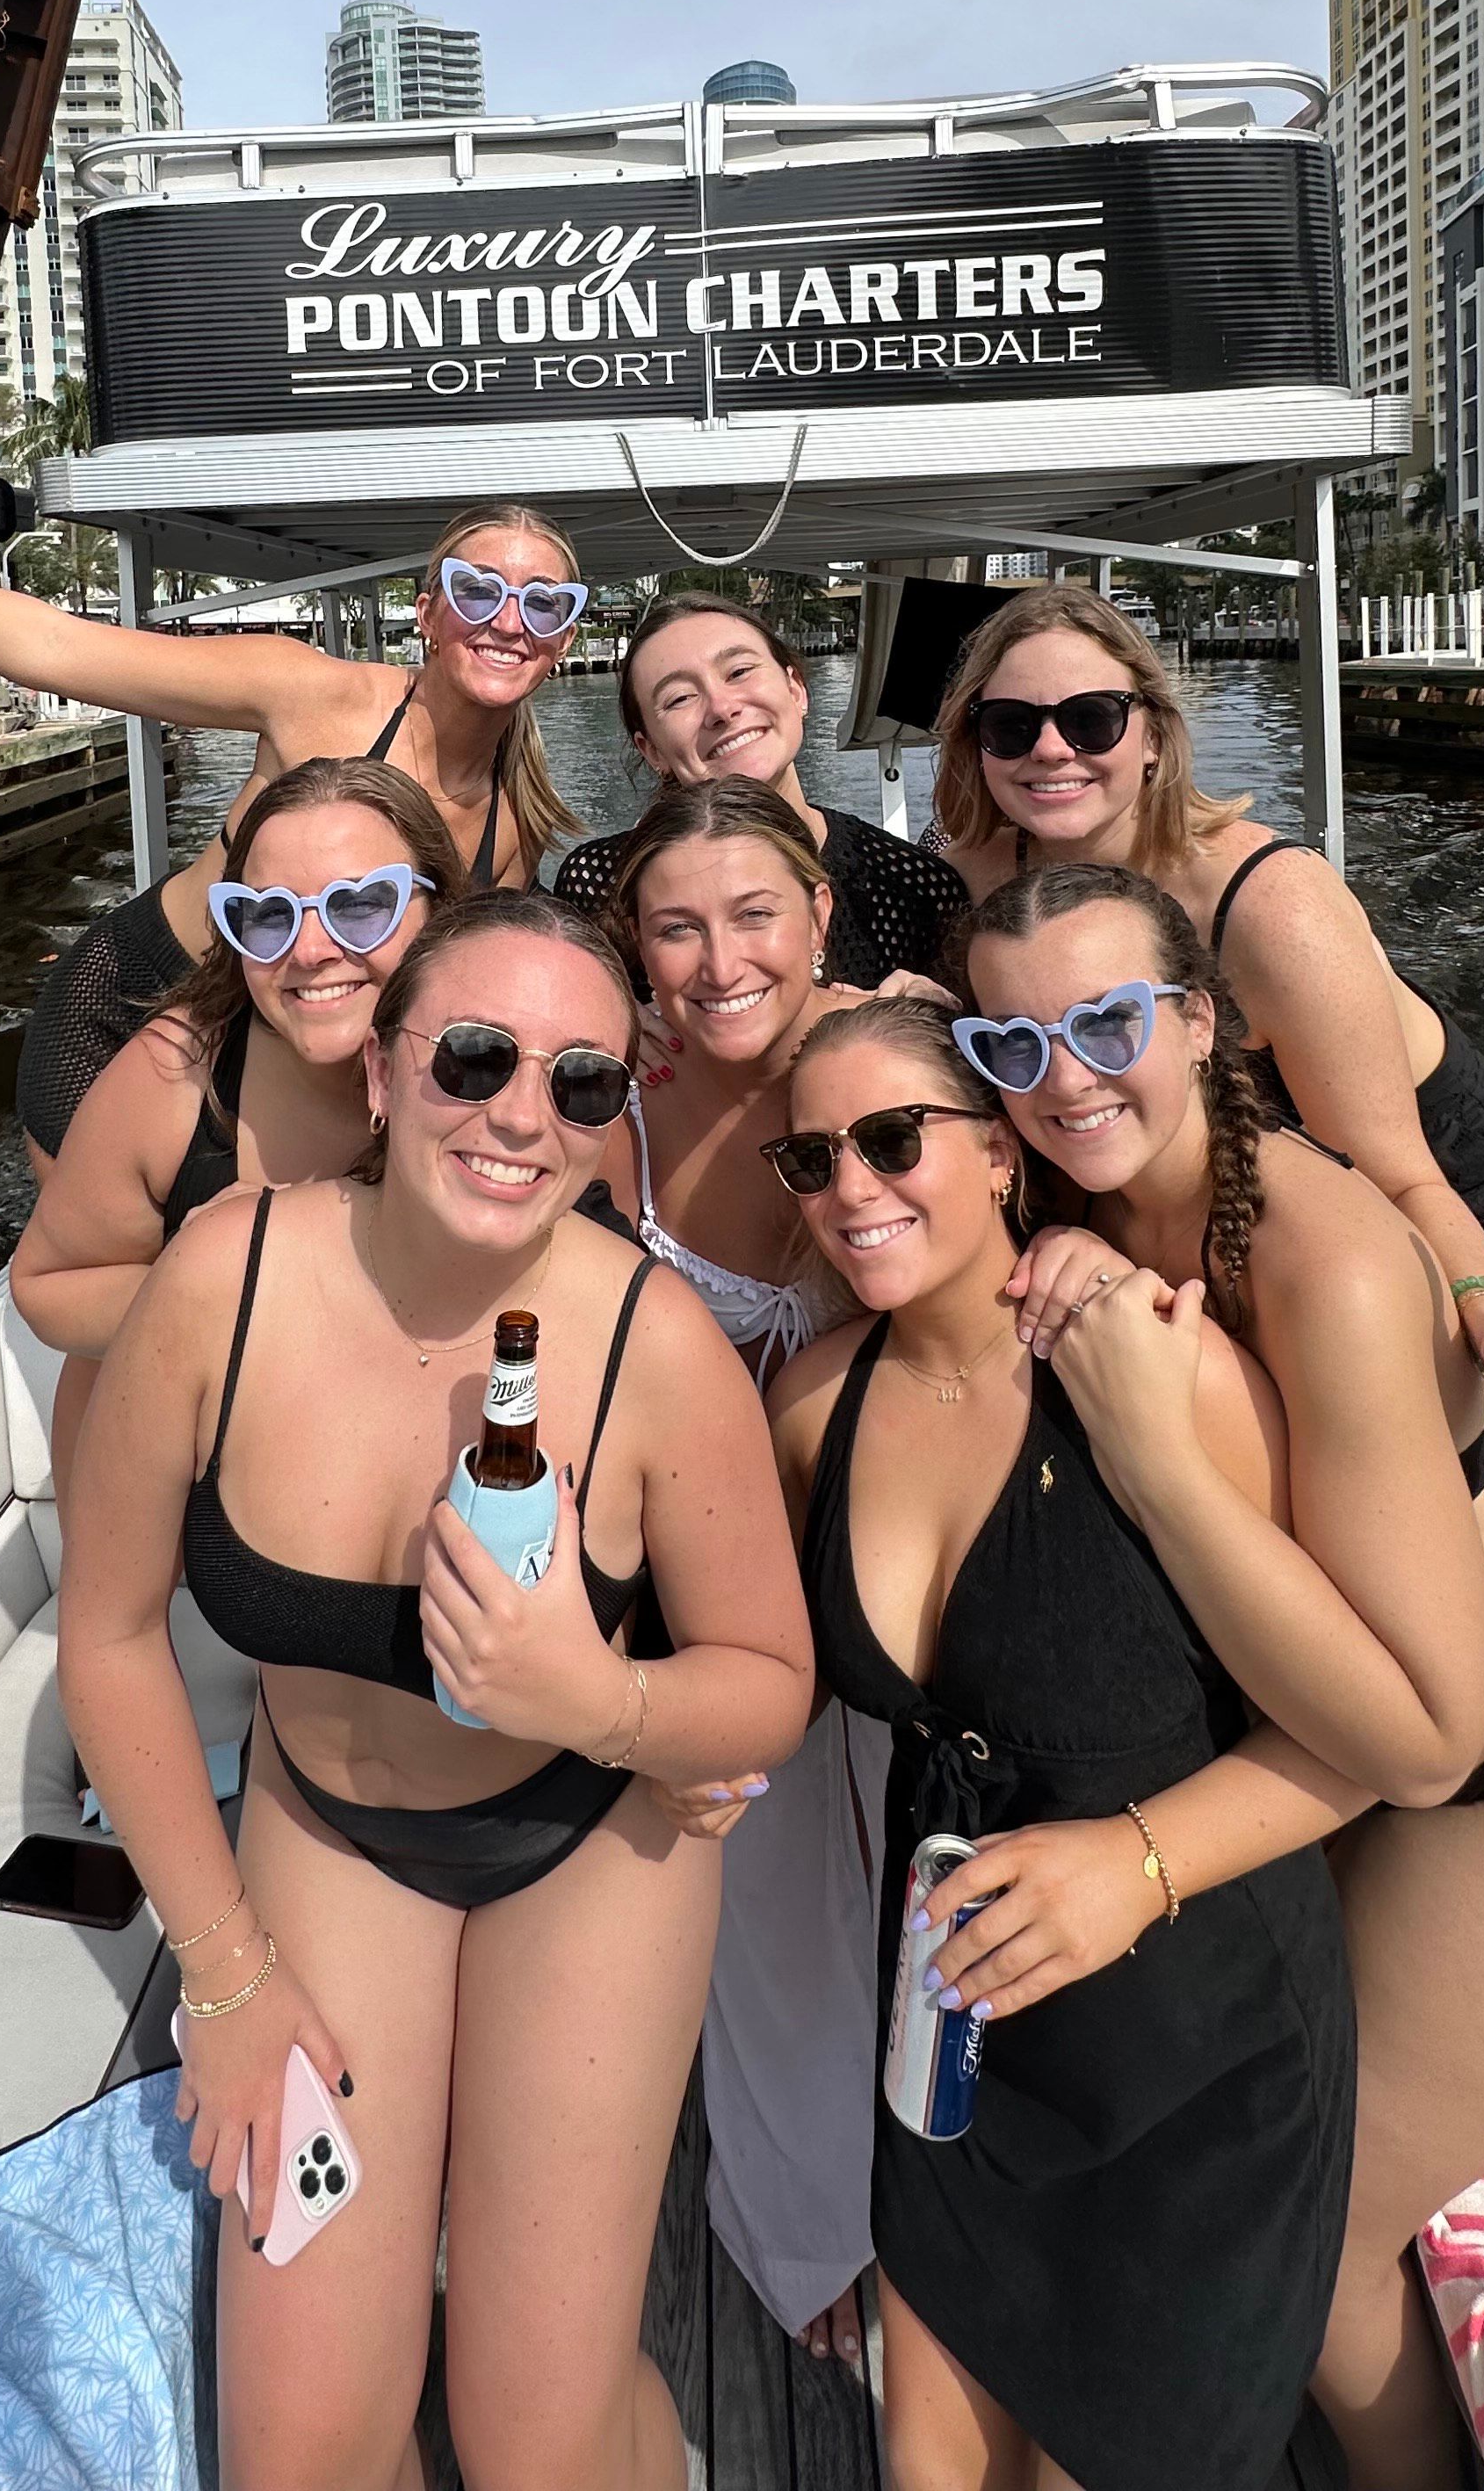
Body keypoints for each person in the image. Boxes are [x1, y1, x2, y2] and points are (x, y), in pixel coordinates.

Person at [972, 866, 1484, 2491]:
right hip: (1370, 1770)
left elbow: (1425, 1735)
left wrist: (1153, 1458)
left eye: (1106, 1022)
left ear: (1194, 1023)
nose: (1064, 1076)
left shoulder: (1319, 1256)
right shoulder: (1088, 1206)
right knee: (1210, 2157)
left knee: (1316, 2240)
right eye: (1011, 1044)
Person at [57, 887, 814, 2491]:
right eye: (473, 1058)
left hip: (588, 1846)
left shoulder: (652, 1345)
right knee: (301, 2453)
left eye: (580, 1082)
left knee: (534, 2440)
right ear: (384, 1076)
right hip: (328, 1843)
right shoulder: (222, 1278)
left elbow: (763, 1684)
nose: (518, 1116)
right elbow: (109, 1636)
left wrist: (593, 1698)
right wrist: (227, 1979)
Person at [762, 991, 1367, 2491]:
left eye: (893, 1138)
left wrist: (1136, 1862)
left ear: (998, 1154)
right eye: (809, 1158)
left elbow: (1357, 1734)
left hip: (1195, 2051)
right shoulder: (810, 1406)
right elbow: (741, 1669)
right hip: (953, 2043)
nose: (849, 1187)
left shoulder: (1163, 1373)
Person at [923, 581, 1484, 1579]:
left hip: (1434, 1190)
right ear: (976, 745)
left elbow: (1398, 1175)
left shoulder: (1271, 908)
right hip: (1234, 1203)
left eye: (1090, 718)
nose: (1050, 751)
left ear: (1150, 734)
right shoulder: (982, 874)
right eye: (1011, 727)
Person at [0, 479, 587, 1148]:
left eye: (543, 602)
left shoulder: (520, 820)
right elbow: (51, 646)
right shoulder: (314, 696)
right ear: (429, 612)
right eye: (478, 590)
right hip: (131, 1005)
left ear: (566, 637)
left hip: (282, 1057)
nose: (508, 620)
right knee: (110, 1278)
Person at [594, 779, 893, 2357]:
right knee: (763, 1897)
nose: (718, 962)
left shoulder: (898, 1060)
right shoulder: (615, 1112)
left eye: (753, 915)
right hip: (701, 1589)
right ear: (635, 952)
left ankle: (944, 2208)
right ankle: (803, 2234)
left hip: (890, 1558)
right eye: (676, 928)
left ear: (820, 914)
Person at [9, 756, 460, 1510]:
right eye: (269, 915)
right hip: (176, 1515)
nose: (311, 952)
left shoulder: (498, 1064)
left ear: (438, 913)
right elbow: (48, 1287)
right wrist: (234, 1286)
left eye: (360, 907)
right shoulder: (174, 1073)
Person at [555, 591, 967, 994]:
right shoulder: (602, 882)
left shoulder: (913, 887)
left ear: (796, 691)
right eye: (680, 698)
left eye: (739, 672)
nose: (721, 708)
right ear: (652, 751)